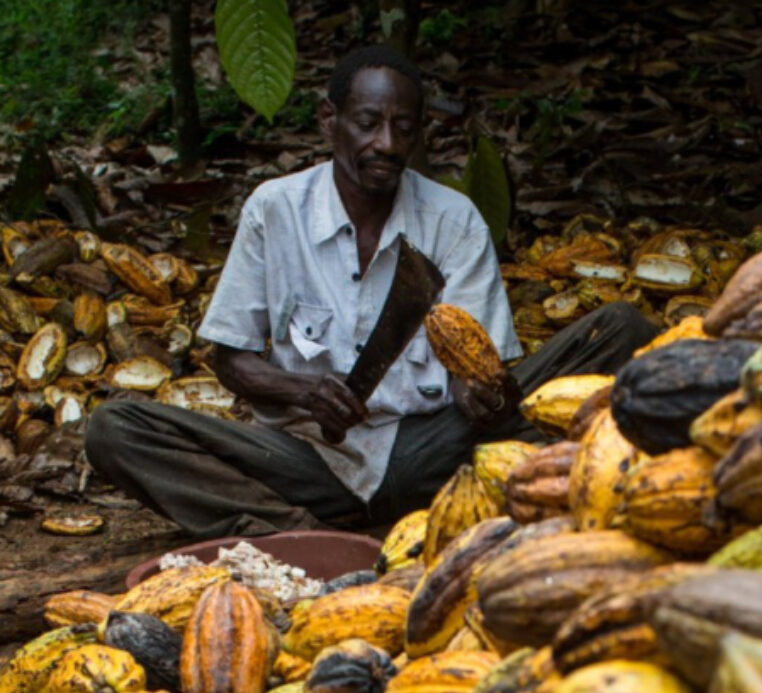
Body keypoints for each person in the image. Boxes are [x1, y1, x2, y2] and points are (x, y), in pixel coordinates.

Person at [85, 46, 658, 539]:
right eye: (367, 123)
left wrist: (478, 393)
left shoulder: (452, 220)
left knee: (622, 329)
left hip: (434, 451)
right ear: (329, 120)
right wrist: (303, 390)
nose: (386, 143)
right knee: (116, 430)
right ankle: (293, 533)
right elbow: (229, 358)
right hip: (308, 460)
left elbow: (475, 362)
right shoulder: (275, 210)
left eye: (403, 127)